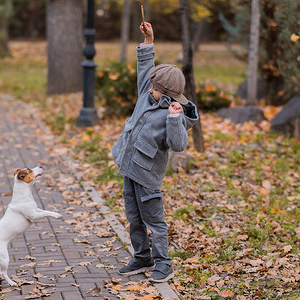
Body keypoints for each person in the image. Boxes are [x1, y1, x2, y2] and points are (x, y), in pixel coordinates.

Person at [111, 22, 199, 283]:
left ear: (168, 94)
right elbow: (145, 71)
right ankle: (142, 257)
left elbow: (178, 144)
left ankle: (164, 263)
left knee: (154, 221)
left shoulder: (173, 114)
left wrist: (174, 120)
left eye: (156, 88)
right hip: (129, 167)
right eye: (151, 86)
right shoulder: (146, 94)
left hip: (148, 175)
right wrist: (148, 42)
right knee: (133, 216)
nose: (150, 89)